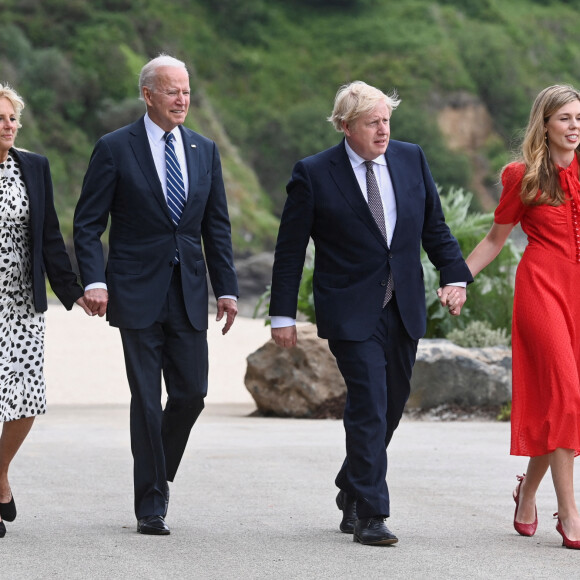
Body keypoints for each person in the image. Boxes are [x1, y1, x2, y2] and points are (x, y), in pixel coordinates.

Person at [269, 80, 472, 545]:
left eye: (386, 120)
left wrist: (453, 275)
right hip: (350, 308)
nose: (383, 130)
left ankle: (351, 487)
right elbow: (289, 249)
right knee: (368, 404)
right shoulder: (314, 173)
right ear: (346, 126)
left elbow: (433, 227)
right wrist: (282, 314)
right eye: (372, 122)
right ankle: (371, 514)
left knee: (391, 405)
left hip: (403, 306)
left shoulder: (410, 157)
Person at [73, 54, 239, 536]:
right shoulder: (114, 148)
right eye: (172, 91)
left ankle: (156, 471)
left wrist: (226, 288)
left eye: (186, 90)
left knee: (192, 393)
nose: (182, 99)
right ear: (148, 95)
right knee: (146, 398)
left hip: (188, 289)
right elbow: (87, 223)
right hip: (135, 289)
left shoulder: (205, 149)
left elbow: (217, 227)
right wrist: (95, 280)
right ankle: (150, 503)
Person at [464, 84, 580, 550]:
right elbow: (495, 240)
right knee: (568, 395)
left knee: (563, 404)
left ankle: (527, 491)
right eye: (566, 118)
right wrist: (458, 279)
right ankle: (570, 513)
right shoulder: (523, 175)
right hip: (541, 290)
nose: (575, 126)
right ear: (545, 124)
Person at [0, 84, 90, 538]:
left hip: (20, 304)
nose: (9, 126)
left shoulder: (33, 167)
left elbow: (49, 236)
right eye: (1, 119)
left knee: (25, 399)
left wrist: (73, 291)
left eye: (13, 118)